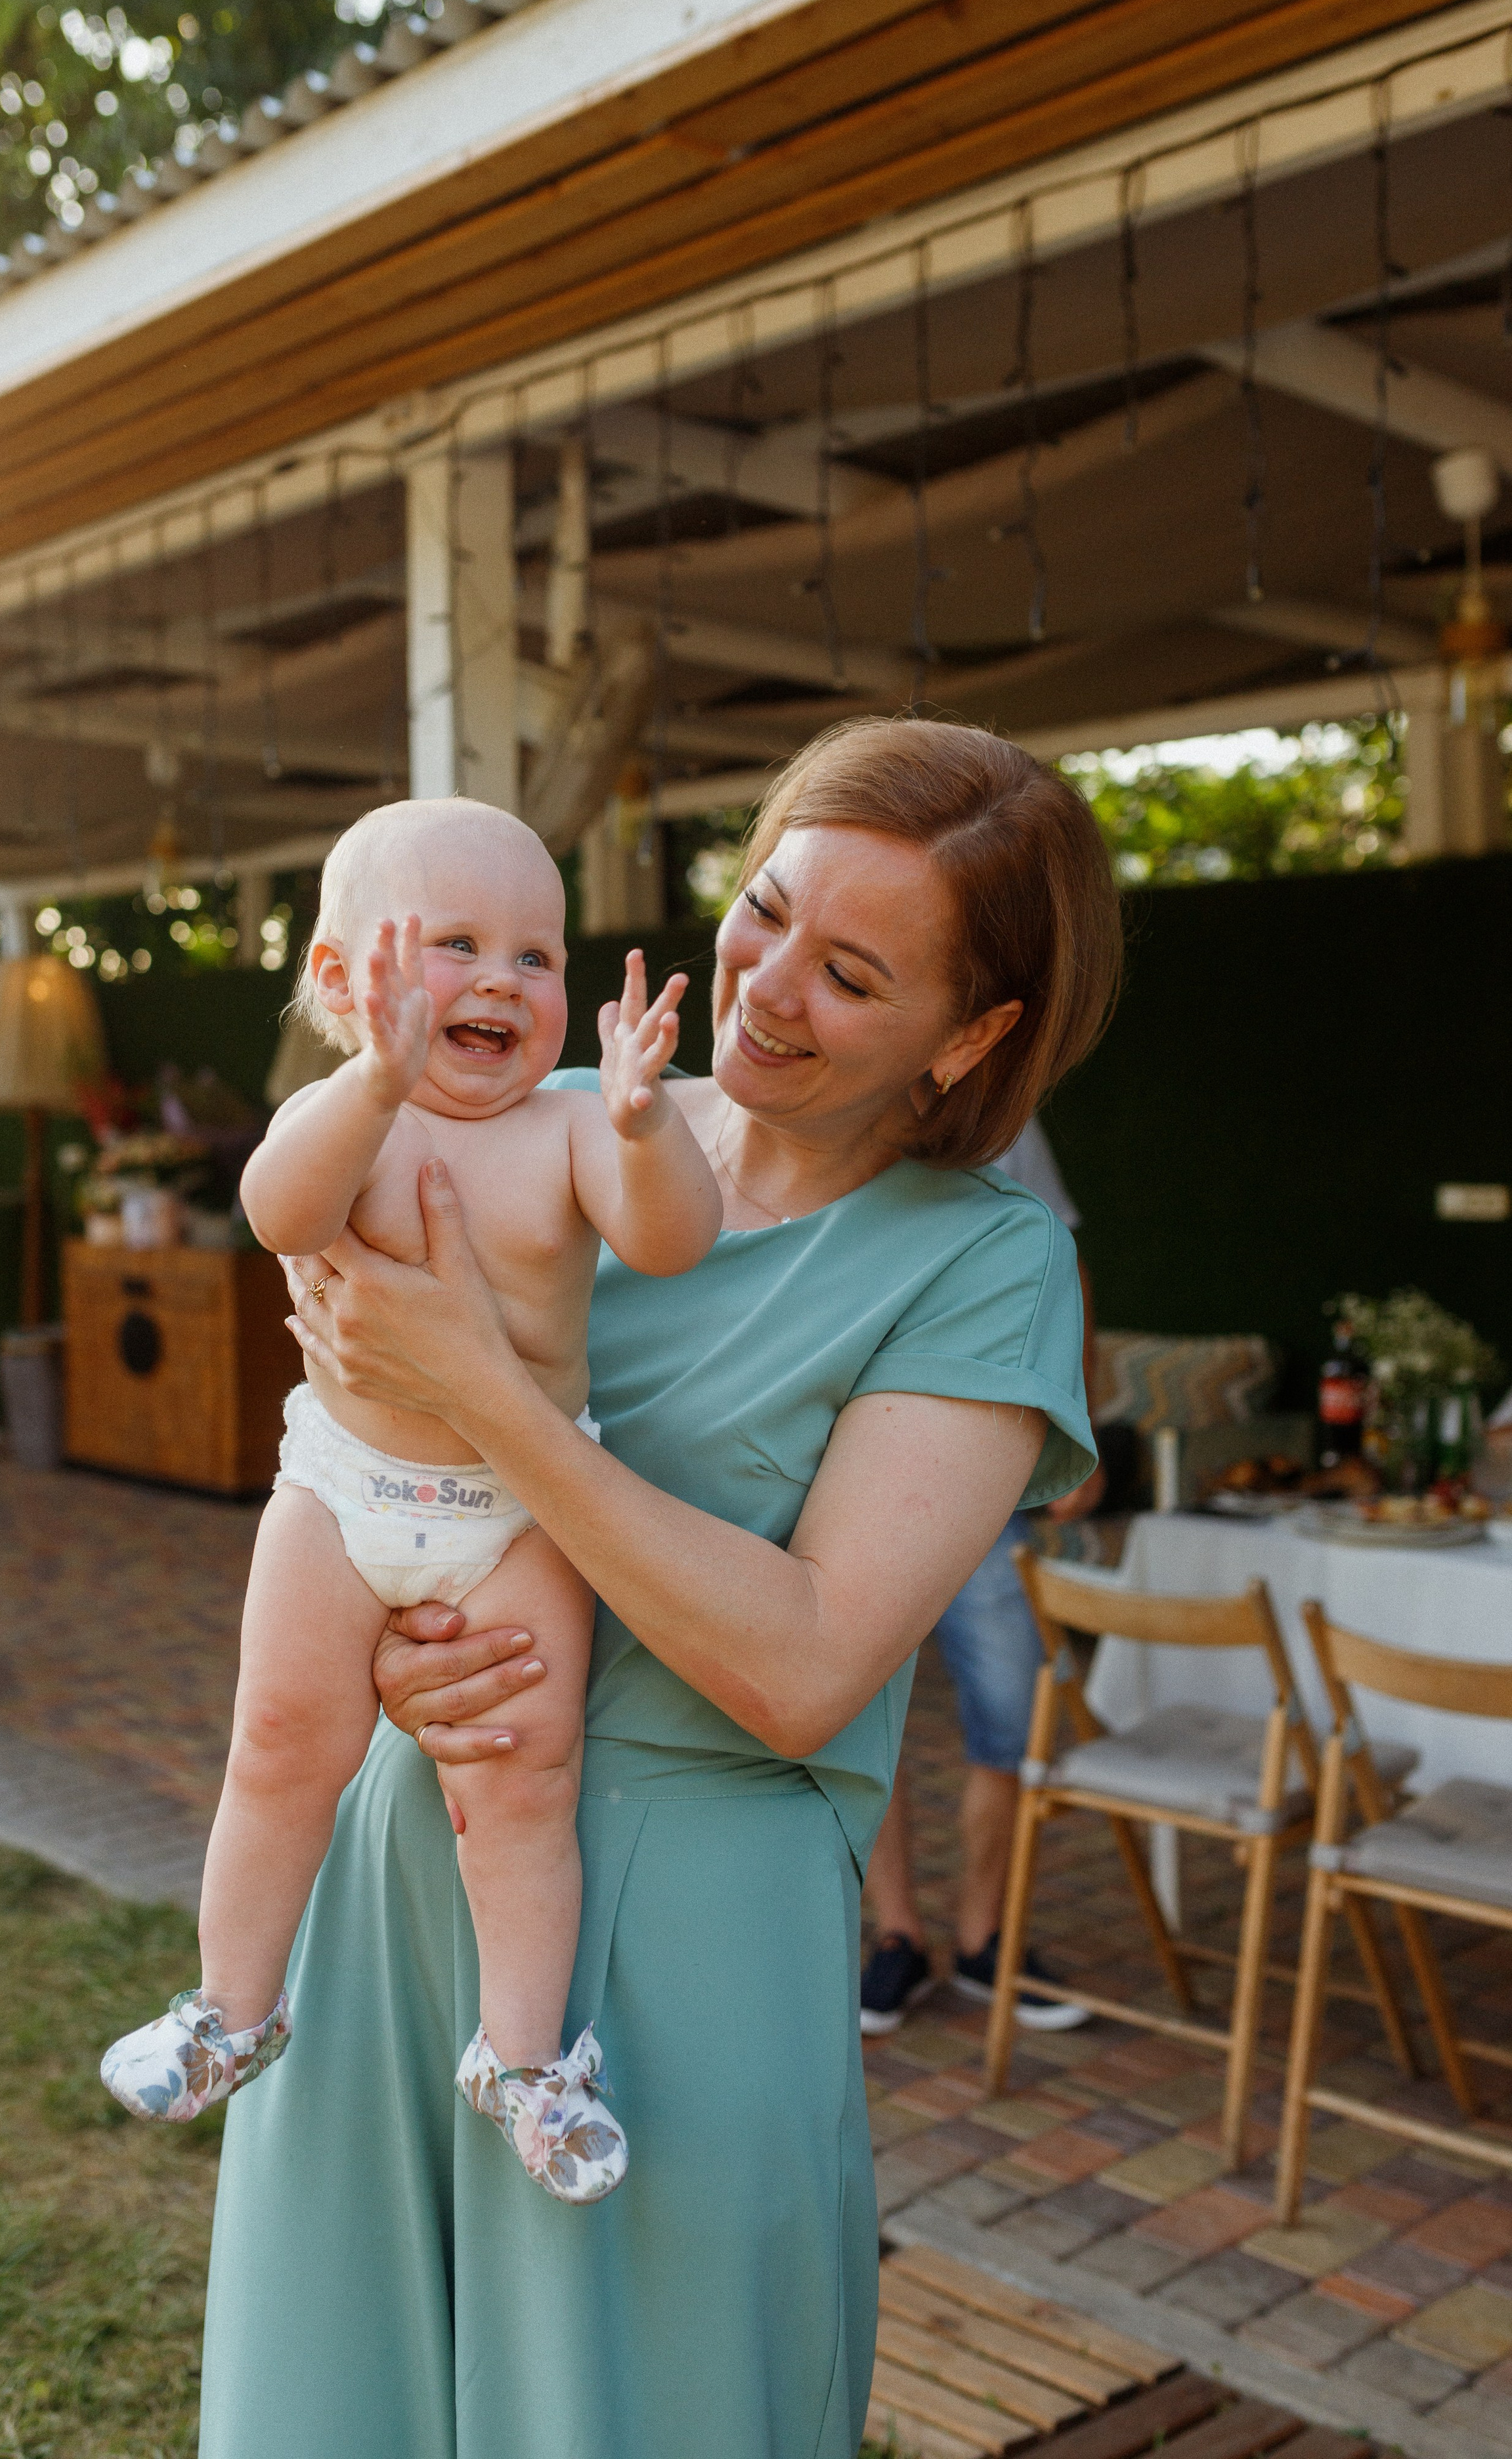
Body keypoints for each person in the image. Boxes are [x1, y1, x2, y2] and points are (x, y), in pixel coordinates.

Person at [197, 718, 1121, 2459]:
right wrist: (391, 1647)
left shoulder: (983, 1265)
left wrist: (489, 1393)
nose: (766, 988)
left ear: (972, 1032)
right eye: (765, 913)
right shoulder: (545, 1118)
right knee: (348, 2397)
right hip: (415, 1869)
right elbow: (355, 1436)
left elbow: (806, 1665)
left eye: (851, 973)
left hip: (695, 1946)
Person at [101, 800, 722, 2207]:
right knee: (276, 1744)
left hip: (518, 1506)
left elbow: (670, 1243)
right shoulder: (345, 1121)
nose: (504, 980)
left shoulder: (568, 1132)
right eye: (457, 946)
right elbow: (274, 1211)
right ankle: (230, 2010)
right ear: (340, 983)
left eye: (537, 955)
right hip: (341, 1488)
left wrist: (640, 1123)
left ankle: (524, 2063)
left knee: (519, 1784)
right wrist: (371, 1087)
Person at [857, 1118, 1105, 2037]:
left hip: (989, 1469)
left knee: (1012, 1717)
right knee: (857, 1712)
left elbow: (1063, 1264)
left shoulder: (1011, 1117)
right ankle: (896, 1936)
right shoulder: (835, 1099)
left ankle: (984, 1937)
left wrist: (1079, 1419)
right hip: (850, 1471)